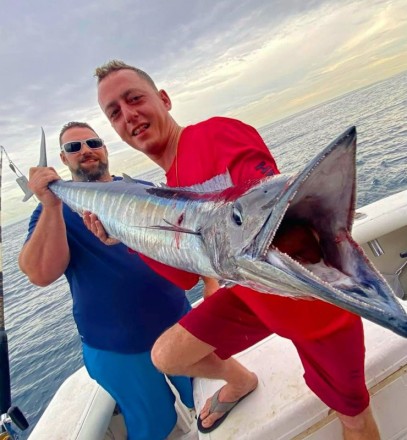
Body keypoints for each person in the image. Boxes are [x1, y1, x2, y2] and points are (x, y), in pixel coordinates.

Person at [92, 60, 380, 439]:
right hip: (252, 294)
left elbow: (270, 207)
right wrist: (129, 237)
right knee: (167, 356)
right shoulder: (168, 186)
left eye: (135, 99)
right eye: (115, 112)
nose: (129, 115)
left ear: (164, 99)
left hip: (311, 302)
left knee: (353, 418)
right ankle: (240, 379)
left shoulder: (217, 134)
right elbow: (184, 276)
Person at [18, 121, 195, 440]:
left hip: (179, 322)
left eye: (92, 142)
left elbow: (184, 240)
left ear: (104, 148)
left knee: (207, 395)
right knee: (155, 426)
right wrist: (50, 204)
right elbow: (40, 273)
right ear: (63, 159)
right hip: (117, 347)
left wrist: (209, 286)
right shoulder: (54, 213)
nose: (85, 150)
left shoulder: (139, 188)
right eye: (74, 148)